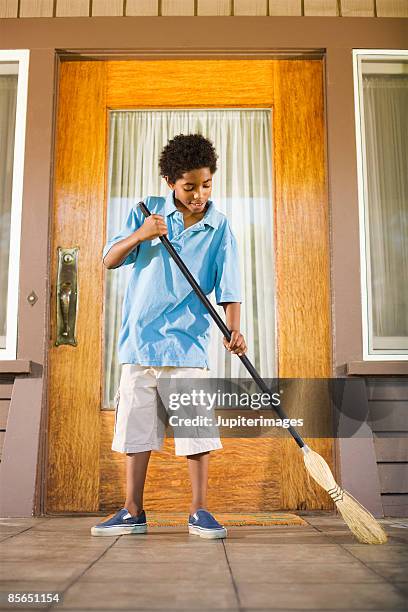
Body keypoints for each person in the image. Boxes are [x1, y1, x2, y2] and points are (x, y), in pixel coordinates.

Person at [91, 133, 247, 539]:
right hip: (140, 341)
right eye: (189, 186)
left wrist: (235, 328)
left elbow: (229, 285)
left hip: (187, 343)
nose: (198, 194)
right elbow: (109, 259)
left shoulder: (218, 226)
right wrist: (141, 234)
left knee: (195, 430)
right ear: (170, 182)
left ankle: (199, 511)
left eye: (206, 184)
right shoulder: (147, 211)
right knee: (136, 430)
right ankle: (132, 510)